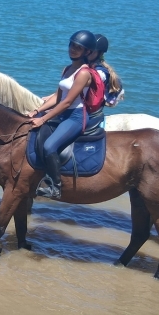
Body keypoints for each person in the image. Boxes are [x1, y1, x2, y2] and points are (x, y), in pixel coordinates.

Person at [26, 30, 104, 200]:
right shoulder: (68, 69)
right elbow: (57, 97)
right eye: (72, 45)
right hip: (63, 113)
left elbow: (67, 102)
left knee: (49, 146)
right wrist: (37, 110)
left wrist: (43, 119)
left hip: (76, 117)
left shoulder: (83, 73)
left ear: (88, 52)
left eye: (78, 47)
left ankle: (56, 187)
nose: (73, 49)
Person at [90, 34, 124, 107]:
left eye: (92, 51)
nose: (87, 53)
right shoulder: (94, 67)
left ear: (100, 53)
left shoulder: (99, 73)